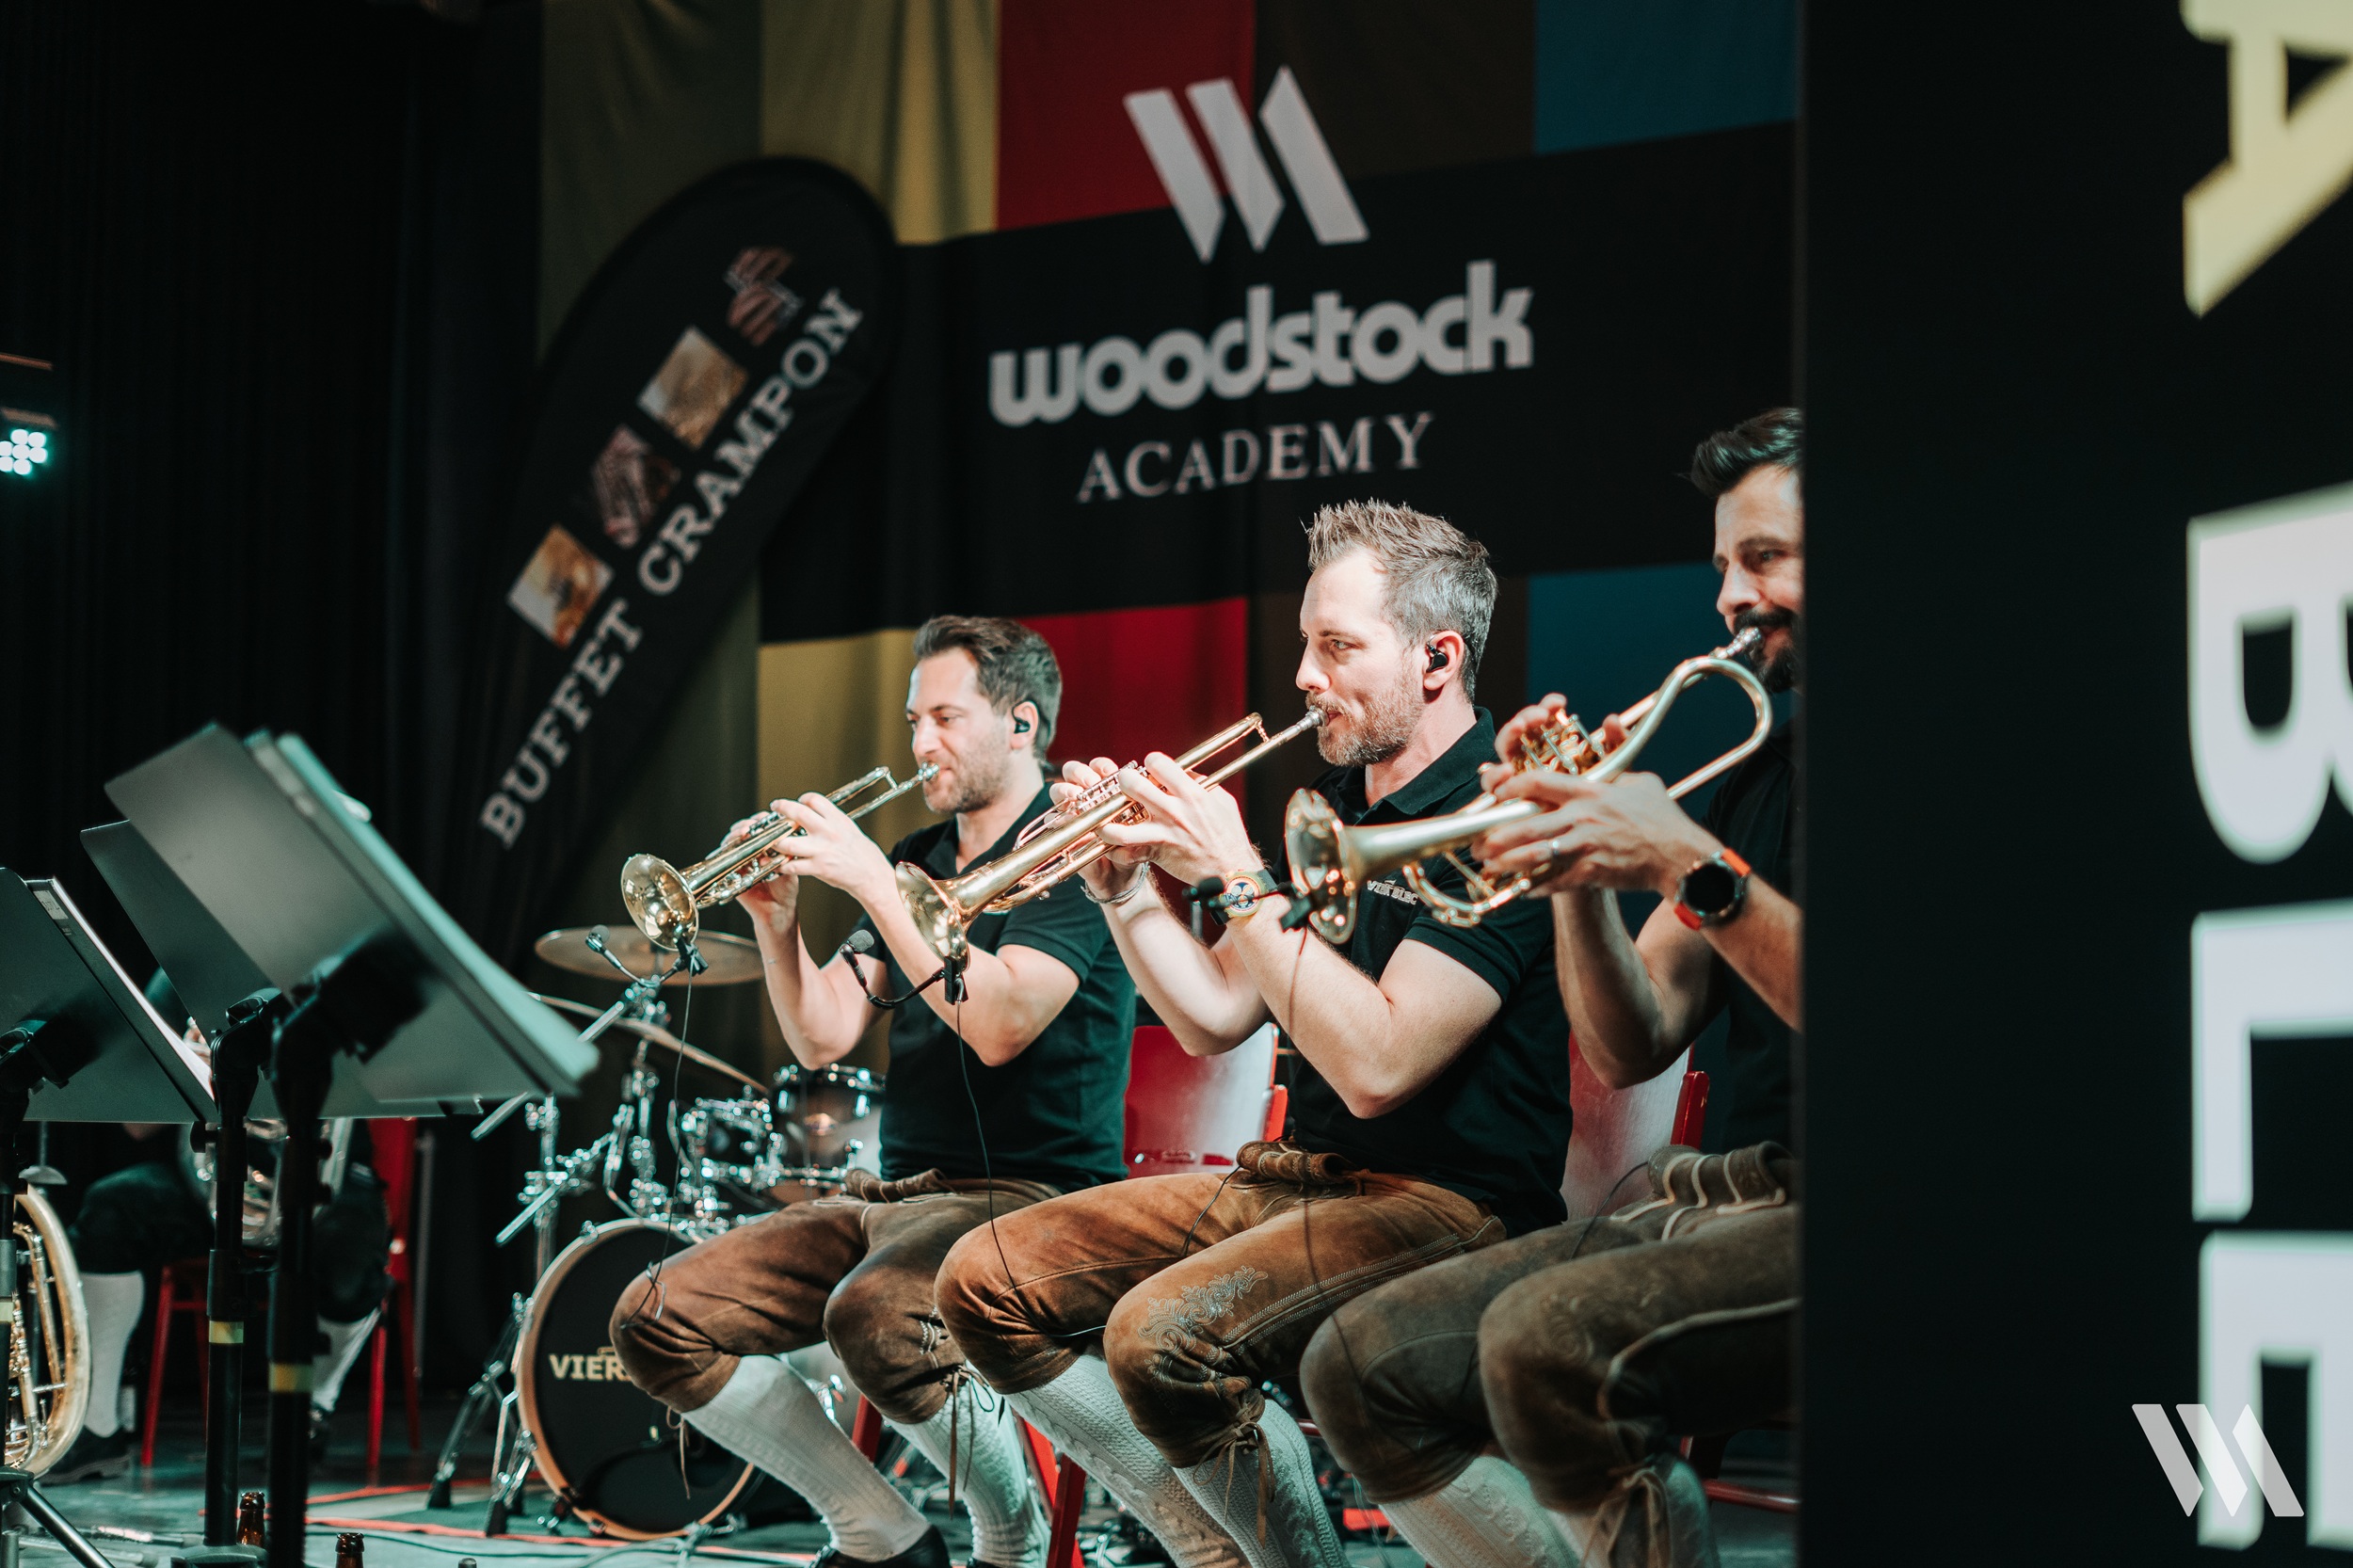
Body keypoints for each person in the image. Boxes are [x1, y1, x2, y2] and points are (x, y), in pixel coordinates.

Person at [935, 502, 1573, 1568]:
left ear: (1436, 659)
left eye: (1336, 648)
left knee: (1159, 1337)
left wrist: (1234, 876)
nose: (1303, 679)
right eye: (1303, 644)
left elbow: (1378, 1064)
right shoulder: (1333, 801)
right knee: (985, 1276)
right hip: (1299, 1179)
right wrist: (1125, 892)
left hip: (1446, 1201)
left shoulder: (1498, 815)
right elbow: (1214, 1015)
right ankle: (1223, 1549)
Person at [1296, 408, 1807, 1568]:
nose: (1729, 593)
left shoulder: (1925, 748)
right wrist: (1571, 870)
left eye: (1764, 557)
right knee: (1358, 1365)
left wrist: (1686, 859)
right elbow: (1637, 1040)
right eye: (1723, 563)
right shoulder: (1752, 775)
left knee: (1542, 1340)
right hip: (1716, 1196)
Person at [607, 616, 1135, 1568]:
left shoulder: (1072, 849)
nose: (919, 742)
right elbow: (825, 1031)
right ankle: (879, 1530)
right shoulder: (920, 854)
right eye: (910, 719)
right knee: (654, 1316)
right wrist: (777, 923)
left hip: (1032, 1198)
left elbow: (1004, 1021)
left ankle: (1004, 1532)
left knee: (872, 1315)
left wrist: (875, 886)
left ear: (1022, 724)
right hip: (897, 1197)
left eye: (944, 717)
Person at [55, 973, 391, 1482]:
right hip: (210, 1173)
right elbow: (136, 1126)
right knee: (113, 1208)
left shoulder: (330, 959)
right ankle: (97, 1428)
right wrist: (193, 1070)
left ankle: (310, 1407)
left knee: (351, 1251)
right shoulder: (178, 971)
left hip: (324, 1171)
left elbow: (397, 1078)